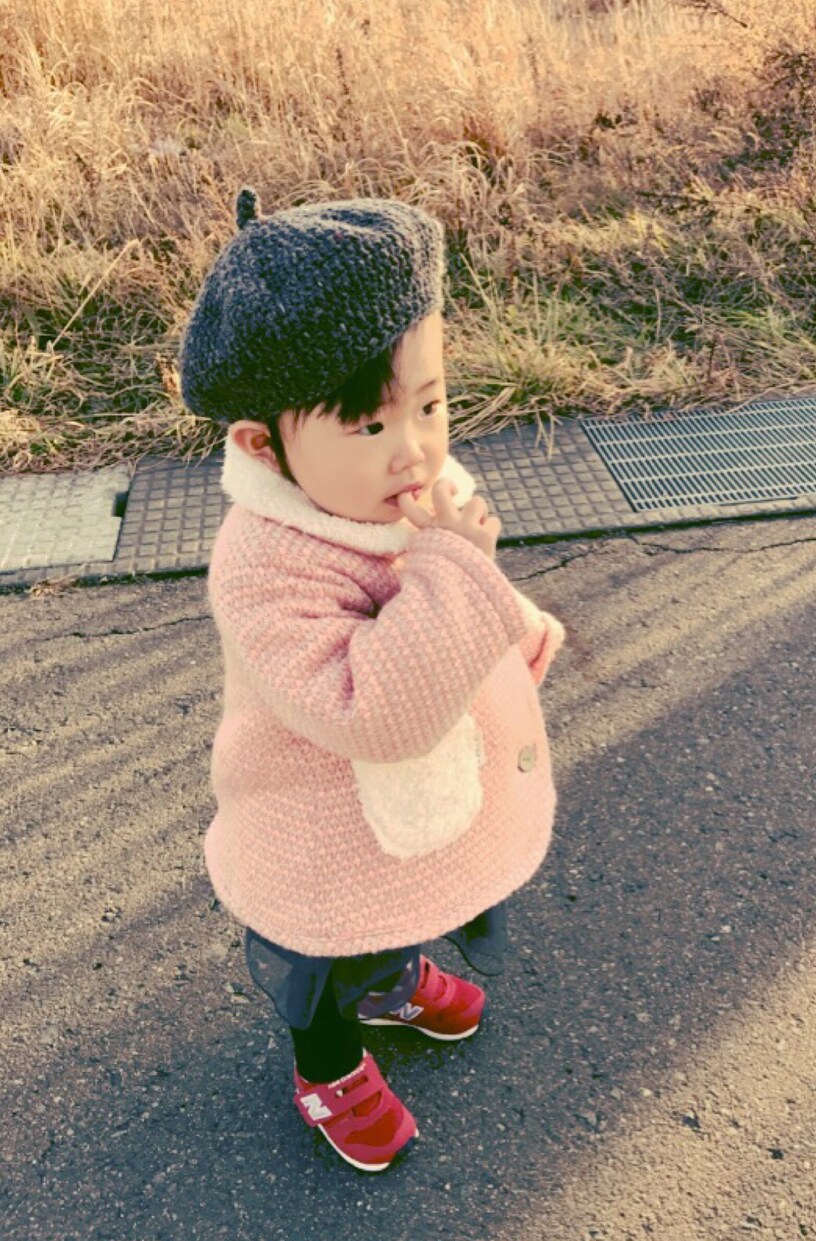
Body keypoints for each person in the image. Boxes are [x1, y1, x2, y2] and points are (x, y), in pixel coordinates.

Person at [178, 188, 564, 1172]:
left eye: (429, 404)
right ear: (263, 444)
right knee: (321, 950)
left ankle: (389, 980)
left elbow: (459, 584)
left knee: (397, 898)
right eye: (366, 424)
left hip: (408, 808)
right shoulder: (265, 566)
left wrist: (513, 627)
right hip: (313, 826)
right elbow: (375, 709)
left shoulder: (404, 482)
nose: (416, 447)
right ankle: (327, 1067)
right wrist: (459, 569)